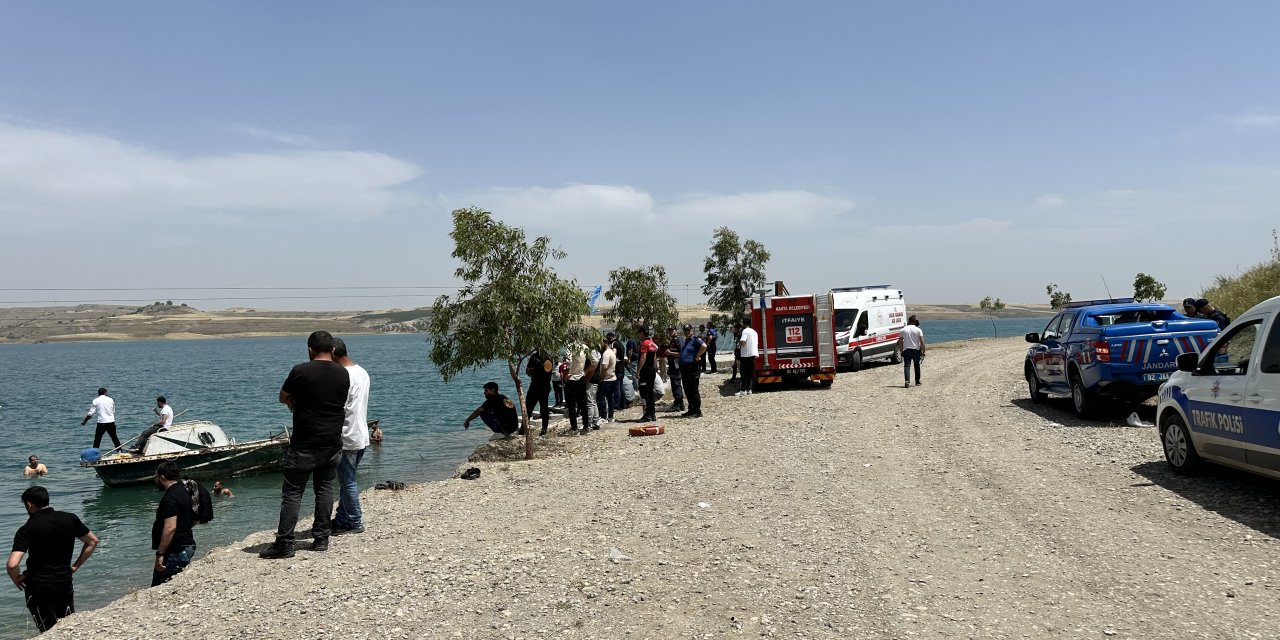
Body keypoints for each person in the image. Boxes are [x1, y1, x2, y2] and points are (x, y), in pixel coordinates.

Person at [260, 331, 349, 560]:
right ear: (332, 350)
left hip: (304, 443)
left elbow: (283, 397)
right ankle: (321, 539)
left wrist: (296, 401)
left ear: (310, 349)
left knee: (292, 493)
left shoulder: (301, 370)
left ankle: (285, 544)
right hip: (332, 441)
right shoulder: (343, 373)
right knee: (325, 489)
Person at [7, 486, 98, 632]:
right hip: (64, 582)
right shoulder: (70, 518)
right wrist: (75, 566)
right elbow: (93, 541)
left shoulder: (27, 529)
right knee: (68, 627)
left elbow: (12, 564)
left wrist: (16, 578)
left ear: (29, 505)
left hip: (38, 587)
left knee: (48, 631)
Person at [332, 338, 370, 536]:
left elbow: (341, 405)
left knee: (347, 481)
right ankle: (342, 517)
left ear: (333, 352)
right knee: (347, 479)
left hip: (347, 435)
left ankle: (355, 521)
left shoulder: (343, 375)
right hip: (361, 433)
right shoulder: (362, 372)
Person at [151, 461, 196, 586]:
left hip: (175, 551)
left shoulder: (170, 497)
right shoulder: (184, 490)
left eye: (155, 477)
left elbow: (170, 528)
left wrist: (160, 554)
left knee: (158, 588)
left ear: (162, 477)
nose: (155, 481)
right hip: (187, 544)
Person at [565, 342, 597, 433]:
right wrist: (585, 371)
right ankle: (586, 426)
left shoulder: (570, 346)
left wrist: (568, 372)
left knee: (571, 405)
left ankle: (574, 427)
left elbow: (569, 361)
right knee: (583, 403)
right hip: (581, 377)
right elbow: (595, 361)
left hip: (572, 378)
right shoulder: (584, 347)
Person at [678, 324, 706, 417]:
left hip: (692, 368)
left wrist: (697, 355)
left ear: (692, 330)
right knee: (687, 389)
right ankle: (691, 409)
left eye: (688, 330)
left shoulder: (695, 340)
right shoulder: (686, 341)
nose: (686, 332)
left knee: (693, 389)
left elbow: (704, 346)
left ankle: (697, 410)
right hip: (684, 368)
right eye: (685, 330)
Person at [525, 349, 554, 436]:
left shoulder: (533, 357)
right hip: (545, 387)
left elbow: (528, 371)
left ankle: (524, 429)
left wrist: (533, 372)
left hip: (535, 386)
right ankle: (544, 430)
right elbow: (548, 371)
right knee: (544, 409)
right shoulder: (549, 358)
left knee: (528, 409)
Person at [636, 328, 660, 422]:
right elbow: (654, 358)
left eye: (639, 334)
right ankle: (652, 413)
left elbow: (643, 357)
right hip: (651, 371)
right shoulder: (653, 344)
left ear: (642, 333)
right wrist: (655, 369)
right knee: (650, 393)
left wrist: (638, 371)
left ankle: (647, 414)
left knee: (644, 393)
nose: (639, 336)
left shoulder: (644, 343)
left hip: (645, 371)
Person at [660, 327, 685, 412]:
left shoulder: (678, 339)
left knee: (676, 383)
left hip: (676, 365)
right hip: (672, 365)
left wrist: (670, 353)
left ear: (676, 331)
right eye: (669, 330)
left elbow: (681, 353)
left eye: (672, 330)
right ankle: (679, 403)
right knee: (674, 383)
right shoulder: (673, 340)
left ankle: (678, 403)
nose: (670, 332)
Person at [897, 315, 926, 387]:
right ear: (915, 321)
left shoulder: (903, 330)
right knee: (917, 366)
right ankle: (917, 381)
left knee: (907, 366)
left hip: (906, 350)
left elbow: (900, 341)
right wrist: (923, 351)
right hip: (916, 350)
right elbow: (922, 342)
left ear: (909, 321)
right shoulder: (918, 330)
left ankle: (907, 381)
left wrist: (901, 350)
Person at [596, 336, 617, 425]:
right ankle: (611, 416)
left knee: (600, 397)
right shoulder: (611, 352)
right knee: (610, 398)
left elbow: (604, 367)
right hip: (612, 378)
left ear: (605, 342)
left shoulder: (606, 354)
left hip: (606, 379)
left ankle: (603, 416)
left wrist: (601, 378)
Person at [737, 319, 759, 396]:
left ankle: (743, 389)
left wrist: (738, 344)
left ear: (743, 324)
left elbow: (743, 341)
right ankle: (749, 389)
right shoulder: (754, 332)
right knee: (750, 372)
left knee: (743, 373)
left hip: (746, 354)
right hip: (753, 354)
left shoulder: (745, 331)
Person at [611, 332, 629, 409]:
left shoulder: (614, 344)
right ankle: (623, 403)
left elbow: (613, 354)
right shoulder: (620, 344)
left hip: (617, 368)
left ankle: (616, 405)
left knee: (617, 387)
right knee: (621, 387)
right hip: (621, 368)